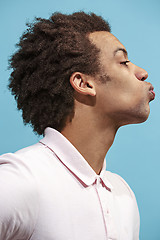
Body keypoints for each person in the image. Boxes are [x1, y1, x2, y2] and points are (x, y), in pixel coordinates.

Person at [0, 11, 155, 240]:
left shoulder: (122, 194)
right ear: (84, 83)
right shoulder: (21, 181)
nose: (142, 73)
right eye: (123, 62)